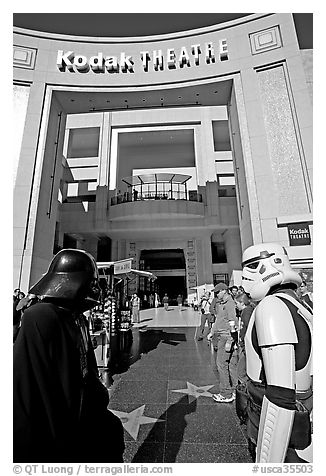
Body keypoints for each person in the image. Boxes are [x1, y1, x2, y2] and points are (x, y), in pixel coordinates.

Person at [13, 249, 125, 463]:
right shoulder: (42, 317)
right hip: (56, 431)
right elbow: (27, 387)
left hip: (84, 417)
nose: (96, 290)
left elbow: (87, 370)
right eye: (91, 282)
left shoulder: (77, 319)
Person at [239, 243, 312, 463]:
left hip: (277, 423)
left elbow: (281, 397)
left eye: (250, 268)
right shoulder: (299, 305)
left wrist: (269, 460)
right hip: (301, 411)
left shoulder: (272, 306)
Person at [207, 282, 239, 403]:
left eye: (217, 292)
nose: (216, 294)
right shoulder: (223, 304)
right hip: (223, 335)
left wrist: (230, 341)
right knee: (230, 365)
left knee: (221, 364)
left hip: (226, 337)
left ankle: (226, 393)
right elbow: (219, 320)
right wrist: (212, 332)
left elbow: (233, 322)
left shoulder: (230, 304)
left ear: (223, 291)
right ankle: (236, 390)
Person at [234, 292, 255, 384]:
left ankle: (247, 392)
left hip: (245, 346)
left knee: (241, 372)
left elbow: (250, 328)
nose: (236, 306)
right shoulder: (246, 311)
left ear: (242, 303)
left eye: (237, 303)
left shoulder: (246, 313)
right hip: (244, 344)